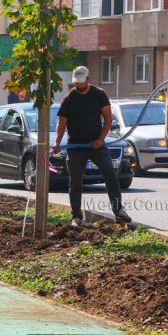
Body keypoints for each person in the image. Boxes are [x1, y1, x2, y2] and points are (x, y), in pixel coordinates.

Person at [53, 66, 131, 227]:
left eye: (81, 82)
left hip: (96, 145)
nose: (78, 86)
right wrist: (57, 142)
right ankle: (76, 216)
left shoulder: (99, 95)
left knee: (110, 173)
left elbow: (108, 119)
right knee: (75, 181)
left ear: (88, 79)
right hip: (76, 147)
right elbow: (61, 124)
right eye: (76, 83)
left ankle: (118, 210)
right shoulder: (69, 99)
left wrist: (100, 140)